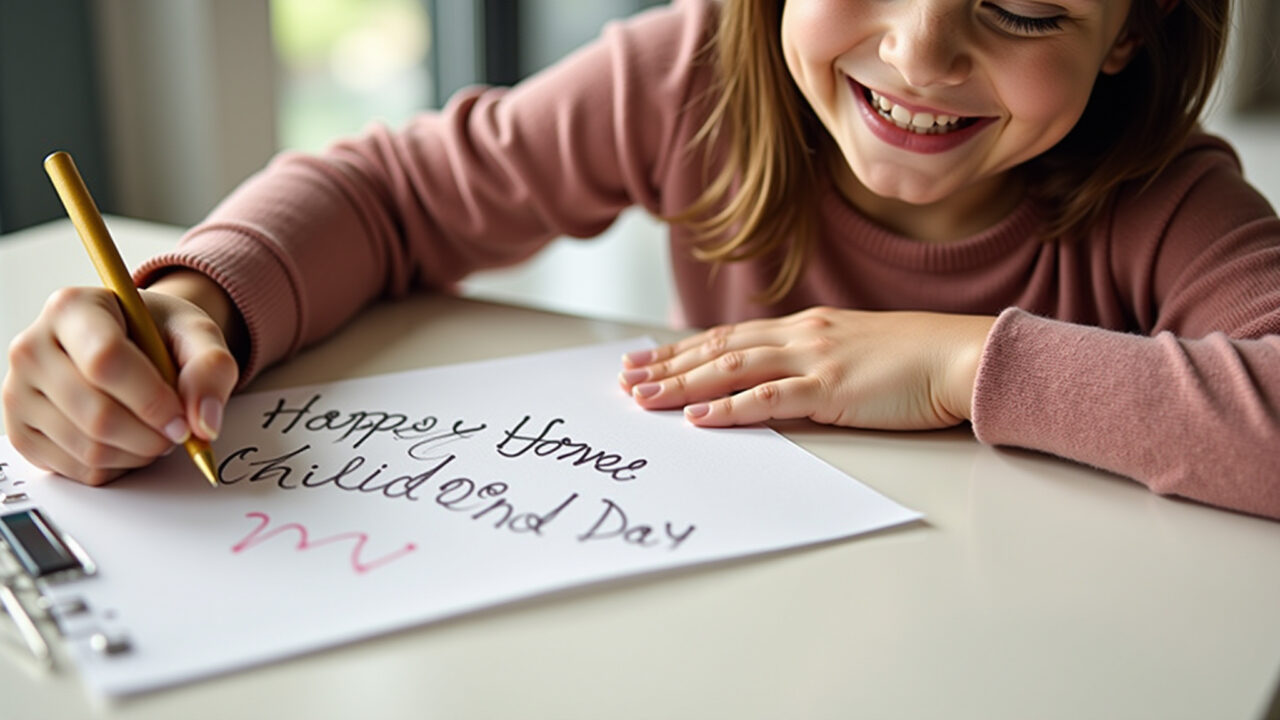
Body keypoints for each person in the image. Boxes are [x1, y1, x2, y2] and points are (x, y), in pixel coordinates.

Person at [3, 0, 1278, 519]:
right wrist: (195, 299)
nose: (919, 52)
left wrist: (955, 364)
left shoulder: (1161, 198)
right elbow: (389, 196)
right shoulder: (689, 83)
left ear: (1130, 32)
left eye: (1023, 6)